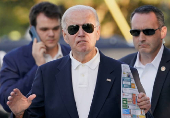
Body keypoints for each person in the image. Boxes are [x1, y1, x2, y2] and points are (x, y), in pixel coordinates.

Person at [7, 5, 152, 118]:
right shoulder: (47, 73)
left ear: (97, 32)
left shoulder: (124, 73)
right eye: (73, 28)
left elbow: (139, 115)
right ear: (65, 35)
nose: (81, 33)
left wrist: (144, 110)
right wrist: (19, 114)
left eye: (87, 27)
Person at [0, 2, 71, 112]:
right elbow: (6, 102)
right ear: (32, 30)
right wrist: (39, 67)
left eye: (55, 28)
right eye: (44, 29)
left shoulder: (73, 54)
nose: (51, 34)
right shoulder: (13, 58)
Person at [119, 5, 169, 118]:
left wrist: (148, 112)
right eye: (135, 32)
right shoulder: (120, 66)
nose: (141, 38)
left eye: (148, 31)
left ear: (163, 32)